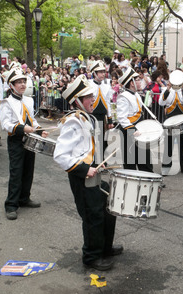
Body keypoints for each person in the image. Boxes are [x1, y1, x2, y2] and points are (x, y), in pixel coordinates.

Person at [53, 74, 120, 271]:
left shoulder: (85, 118)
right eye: (88, 97)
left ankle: (105, 247)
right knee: (93, 215)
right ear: (77, 101)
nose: (93, 99)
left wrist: (99, 164)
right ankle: (91, 257)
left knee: (109, 208)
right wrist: (85, 169)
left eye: (92, 96)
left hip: (93, 172)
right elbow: (61, 155)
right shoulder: (73, 121)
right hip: (82, 177)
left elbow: (85, 148)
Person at [0, 68, 48, 220]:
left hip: (30, 139)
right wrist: (22, 128)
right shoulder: (6, 103)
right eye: (19, 82)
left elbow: (32, 120)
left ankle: (24, 198)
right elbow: (5, 124)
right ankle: (11, 205)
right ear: (11, 85)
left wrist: (40, 130)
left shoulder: (29, 100)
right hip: (15, 140)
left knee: (28, 170)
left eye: (24, 81)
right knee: (16, 172)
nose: (22, 85)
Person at [116, 67, 153, 172]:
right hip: (129, 132)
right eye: (137, 80)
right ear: (131, 83)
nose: (140, 81)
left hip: (139, 128)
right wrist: (133, 130)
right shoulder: (123, 97)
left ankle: (149, 178)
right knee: (130, 160)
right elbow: (122, 118)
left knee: (144, 158)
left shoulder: (136, 94)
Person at [159, 71, 183, 175]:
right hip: (170, 121)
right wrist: (168, 89)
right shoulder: (166, 90)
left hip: (182, 121)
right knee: (168, 145)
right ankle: (166, 166)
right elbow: (161, 102)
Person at [89, 60, 114, 158]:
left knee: (102, 139)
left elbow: (108, 102)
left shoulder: (106, 86)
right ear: (94, 73)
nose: (103, 74)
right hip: (92, 117)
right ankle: (92, 160)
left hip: (102, 118)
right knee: (92, 138)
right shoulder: (89, 84)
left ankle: (101, 160)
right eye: (100, 72)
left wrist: (110, 118)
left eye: (104, 72)